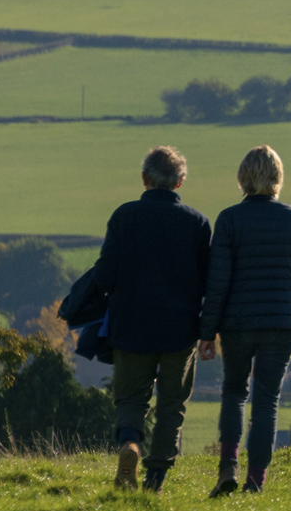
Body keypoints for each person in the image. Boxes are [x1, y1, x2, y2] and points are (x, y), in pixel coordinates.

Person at [197, 144, 291, 496]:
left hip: (237, 324)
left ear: (243, 178)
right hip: (283, 323)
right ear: (277, 178)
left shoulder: (229, 220)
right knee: (267, 401)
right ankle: (256, 480)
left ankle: (226, 469)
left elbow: (217, 282)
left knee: (234, 392)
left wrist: (207, 333)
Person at [85, 145, 212, 492]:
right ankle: (155, 477)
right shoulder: (198, 224)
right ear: (180, 182)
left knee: (130, 399)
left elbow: (105, 277)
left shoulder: (124, 217)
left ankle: (130, 444)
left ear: (144, 178)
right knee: (172, 404)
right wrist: (208, 329)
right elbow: (206, 284)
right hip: (179, 331)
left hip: (131, 328)